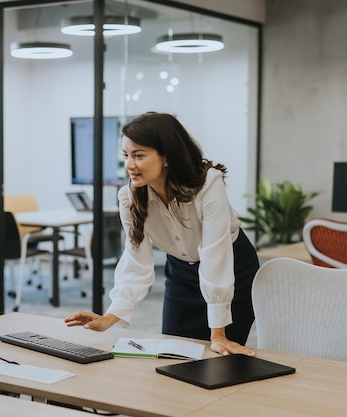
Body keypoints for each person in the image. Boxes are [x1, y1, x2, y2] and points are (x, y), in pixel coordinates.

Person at [64, 112, 259, 356]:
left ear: (166, 158)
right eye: (126, 155)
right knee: (173, 353)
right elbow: (136, 260)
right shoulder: (130, 197)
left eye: (138, 155)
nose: (129, 165)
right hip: (180, 273)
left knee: (218, 359)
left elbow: (215, 255)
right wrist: (109, 318)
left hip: (233, 270)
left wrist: (218, 333)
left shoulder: (208, 184)